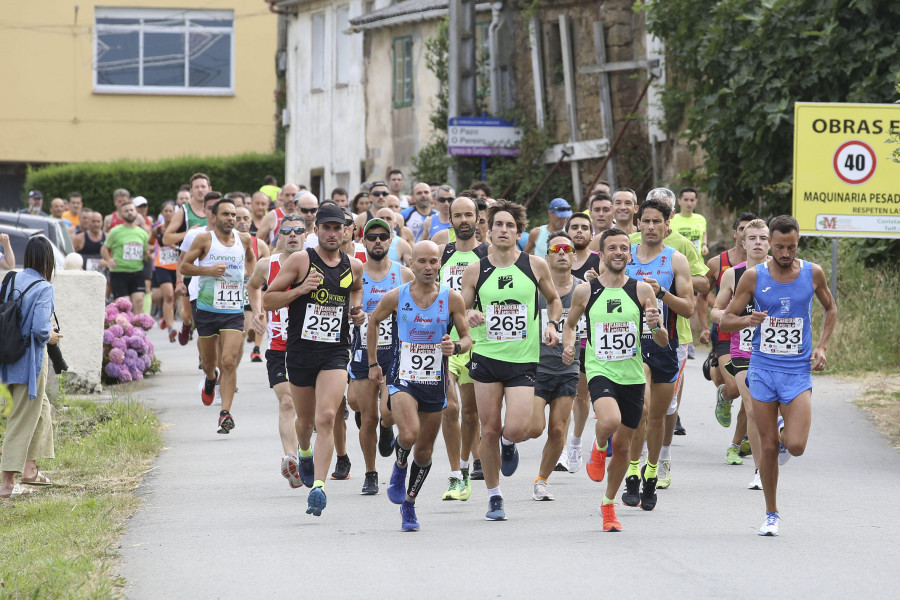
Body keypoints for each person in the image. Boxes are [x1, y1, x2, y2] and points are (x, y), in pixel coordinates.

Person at [721, 215, 836, 536]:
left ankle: (787, 437)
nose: (786, 253)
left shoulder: (813, 273)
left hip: (797, 371)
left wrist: (823, 347)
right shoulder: (752, 278)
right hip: (762, 370)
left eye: (792, 247)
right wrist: (748, 321)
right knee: (768, 448)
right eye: (780, 246)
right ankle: (771, 513)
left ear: (798, 244)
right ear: (770, 244)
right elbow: (726, 320)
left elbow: (831, 308)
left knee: (795, 446)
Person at [460, 199, 562, 520]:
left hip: (522, 359)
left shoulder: (534, 265)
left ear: (519, 232)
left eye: (510, 226)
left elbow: (554, 300)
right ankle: (494, 496)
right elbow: (459, 308)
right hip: (487, 355)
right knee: (487, 429)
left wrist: (552, 324)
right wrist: (470, 313)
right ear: (488, 230)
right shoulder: (476, 269)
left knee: (517, 427)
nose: (504, 230)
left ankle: (509, 442)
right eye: (498, 225)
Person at [263, 204, 365, 517]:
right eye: (327, 228)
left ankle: (319, 486)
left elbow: (357, 290)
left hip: (335, 351)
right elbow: (268, 299)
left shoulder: (354, 266)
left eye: (338, 228)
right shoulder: (301, 260)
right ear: (316, 230)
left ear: (346, 231)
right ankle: (303, 451)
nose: (333, 233)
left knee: (327, 416)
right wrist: (300, 290)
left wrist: (356, 311)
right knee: (305, 422)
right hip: (300, 351)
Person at [562, 228, 667, 531]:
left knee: (622, 449)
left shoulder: (642, 291)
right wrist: (569, 345)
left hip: (632, 375)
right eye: (612, 248)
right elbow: (570, 326)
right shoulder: (587, 291)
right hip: (600, 369)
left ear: (630, 255)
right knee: (608, 421)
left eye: (624, 248)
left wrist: (656, 324)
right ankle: (597, 445)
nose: (619, 252)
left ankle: (609, 506)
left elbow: (660, 340)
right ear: (602, 254)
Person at [368, 240, 473, 530]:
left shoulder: (452, 299)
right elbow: (374, 321)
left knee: (425, 452)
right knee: (410, 432)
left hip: (435, 382)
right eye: (422, 262)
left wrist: (457, 346)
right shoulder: (396, 296)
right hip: (402, 377)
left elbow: (466, 337)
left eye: (433, 262)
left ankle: (409, 505)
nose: (428, 267)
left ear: (440, 263)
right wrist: (374, 363)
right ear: (411, 264)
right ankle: (399, 467)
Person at [620, 198, 694, 510]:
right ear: (638, 223)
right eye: (646, 221)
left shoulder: (675, 260)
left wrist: (661, 293)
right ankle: (632, 472)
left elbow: (689, 307)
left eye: (657, 222)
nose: (651, 227)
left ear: (667, 226)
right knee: (641, 409)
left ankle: (652, 472)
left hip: (665, 342)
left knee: (658, 416)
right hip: (632, 344)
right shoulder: (624, 257)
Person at [346, 218, 413, 494]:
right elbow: (346, 306)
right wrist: (356, 314)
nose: (377, 241)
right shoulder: (355, 274)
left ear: (390, 241)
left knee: (389, 413)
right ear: (363, 241)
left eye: (382, 237)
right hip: (363, 352)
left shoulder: (404, 274)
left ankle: (388, 428)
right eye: (371, 236)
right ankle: (370, 473)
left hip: (395, 354)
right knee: (367, 416)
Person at [180, 198, 257, 434]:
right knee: (210, 363)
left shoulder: (243, 239)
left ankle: (225, 412)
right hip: (206, 308)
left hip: (233, 311)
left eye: (234, 215)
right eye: (226, 214)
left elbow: (251, 259)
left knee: (229, 361)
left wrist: (249, 277)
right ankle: (211, 379)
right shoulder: (205, 239)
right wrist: (208, 271)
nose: (231, 219)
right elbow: (184, 267)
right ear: (214, 217)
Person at [247, 213, 307, 487]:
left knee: (310, 411)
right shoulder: (266, 264)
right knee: (287, 402)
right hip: (278, 346)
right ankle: (291, 459)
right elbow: (253, 286)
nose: (293, 235)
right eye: (287, 231)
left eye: (298, 231)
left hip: (311, 345)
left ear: (306, 235)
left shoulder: (316, 263)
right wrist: (259, 312)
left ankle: (304, 450)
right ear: (279, 236)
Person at [437, 195, 490, 500]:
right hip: (445, 341)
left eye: (468, 214)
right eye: (457, 216)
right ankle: (455, 473)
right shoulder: (441, 254)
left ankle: (467, 468)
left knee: (470, 414)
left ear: (477, 219)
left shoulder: (487, 256)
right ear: (451, 220)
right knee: (450, 407)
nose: (463, 220)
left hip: (476, 341)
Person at [710, 218, 769, 485]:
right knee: (753, 408)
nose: (758, 242)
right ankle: (759, 471)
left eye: (763, 238)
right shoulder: (732, 274)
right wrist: (730, 315)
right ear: (742, 243)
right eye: (752, 238)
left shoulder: (784, 273)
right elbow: (715, 310)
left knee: (770, 410)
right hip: (742, 350)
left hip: (775, 352)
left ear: (771, 243)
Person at [0, 237, 59, 498]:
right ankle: (7, 484)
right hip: (30, 361)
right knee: (23, 417)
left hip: (7, 356)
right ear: (48, 260)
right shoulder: (44, 287)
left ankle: (30, 469)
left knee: (41, 408)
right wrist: (52, 335)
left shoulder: (11, 278)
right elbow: (39, 329)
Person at [527, 233, 584, 500]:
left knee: (558, 430)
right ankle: (506, 441)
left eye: (567, 249)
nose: (562, 252)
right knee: (534, 428)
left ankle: (542, 480)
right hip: (536, 367)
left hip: (568, 368)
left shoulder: (584, 289)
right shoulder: (534, 289)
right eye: (555, 249)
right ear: (547, 256)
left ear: (574, 256)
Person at [702, 212, 757, 433]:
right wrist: (719, 316)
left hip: (756, 333)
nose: (748, 235)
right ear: (736, 234)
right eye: (742, 229)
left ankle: (742, 439)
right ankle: (724, 394)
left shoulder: (768, 266)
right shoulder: (718, 263)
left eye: (754, 233)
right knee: (734, 388)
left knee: (751, 392)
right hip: (726, 331)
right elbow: (703, 292)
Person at [234, 206, 270, 363]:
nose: (242, 222)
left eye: (246, 218)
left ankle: (256, 347)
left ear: (251, 222)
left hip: (252, 289)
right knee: (239, 335)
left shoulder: (260, 244)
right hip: (230, 292)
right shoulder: (224, 243)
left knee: (260, 312)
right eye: (238, 218)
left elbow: (267, 270)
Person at [102, 201, 150, 313]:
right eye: (126, 211)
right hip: (119, 272)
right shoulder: (115, 231)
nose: (129, 213)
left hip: (137, 272)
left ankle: (137, 329)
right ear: (121, 214)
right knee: (124, 304)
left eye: (132, 210)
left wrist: (148, 256)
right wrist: (108, 260)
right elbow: (104, 248)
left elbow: (145, 253)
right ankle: (124, 329)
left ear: (136, 212)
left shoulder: (142, 233)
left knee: (139, 301)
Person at [151, 201, 180, 342]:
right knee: (168, 296)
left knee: (174, 297)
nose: (168, 213)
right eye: (166, 211)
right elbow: (150, 243)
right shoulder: (157, 230)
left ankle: (166, 317)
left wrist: (177, 247)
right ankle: (171, 328)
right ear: (162, 213)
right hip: (162, 266)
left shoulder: (180, 229)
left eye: (171, 211)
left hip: (178, 267)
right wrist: (149, 251)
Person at [670, 187, 708, 256]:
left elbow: (704, 233)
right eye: (686, 200)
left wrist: (704, 245)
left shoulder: (701, 219)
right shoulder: (671, 220)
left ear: (696, 201)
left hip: (697, 264)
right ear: (679, 201)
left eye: (692, 200)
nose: (689, 203)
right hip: (677, 263)